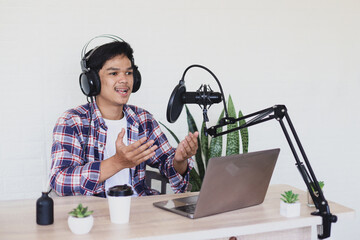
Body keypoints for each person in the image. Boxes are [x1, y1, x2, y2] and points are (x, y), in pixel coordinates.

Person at [50, 35, 198, 197]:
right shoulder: (73, 121)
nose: (124, 80)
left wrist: (179, 160)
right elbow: (60, 181)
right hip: (93, 214)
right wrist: (117, 162)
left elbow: (169, 167)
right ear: (91, 81)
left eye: (128, 73)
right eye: (114, 73)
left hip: (138, 210)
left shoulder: (143, 119)